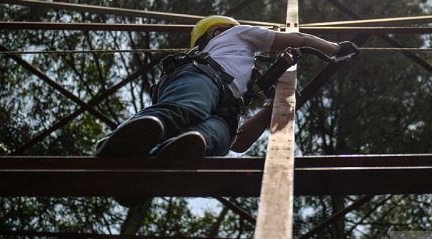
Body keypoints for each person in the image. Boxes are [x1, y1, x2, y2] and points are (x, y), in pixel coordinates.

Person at [95, 15, 358, 160]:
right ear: (217, 31)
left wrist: (272, 109)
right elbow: (298, 39)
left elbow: (239, 143)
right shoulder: (237, 33)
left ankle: (160, 163)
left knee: (216, 138)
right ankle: (116, 144)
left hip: (226, 110)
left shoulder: (246, 72)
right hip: (203, 78)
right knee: (186, 109)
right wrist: (335, 49)